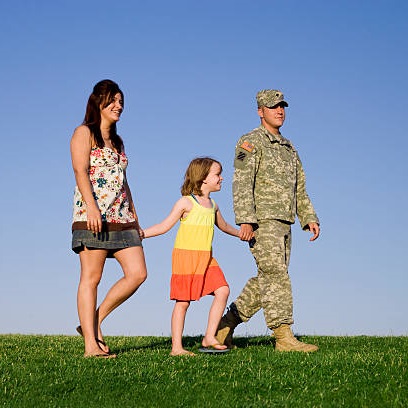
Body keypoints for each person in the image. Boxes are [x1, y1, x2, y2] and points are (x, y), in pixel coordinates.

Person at [216, 89, 320, 352]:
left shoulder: (289, 148)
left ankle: (225, 325)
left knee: (270, 277)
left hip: (285, 221)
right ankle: (283, 336)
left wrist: (308, 217)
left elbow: (300, 188)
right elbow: (241, 183)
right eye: (273, 107)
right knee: (276, 275)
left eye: (282, 106)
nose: (280, 111)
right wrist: (246, 220)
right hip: (262, 220)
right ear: (260, 111)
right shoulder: (250, 142)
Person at [143, 157, 252, 356]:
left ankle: (209, 336)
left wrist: (241, 234)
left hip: (207, 258)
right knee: (183, 303)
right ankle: (176, 348)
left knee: (223, 290)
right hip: (186, 258)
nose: (221, 179)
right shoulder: (186, 202)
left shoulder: (214, 205)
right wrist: (142, 233)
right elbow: (164, 226)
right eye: (217, 175)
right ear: (203, 178)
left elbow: (224, 226)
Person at [70, 79, 147, 358]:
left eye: (121, 101)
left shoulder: (117, 141)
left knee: (138, 273)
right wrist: (91, 207)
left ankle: (93, 321)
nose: (119, 106)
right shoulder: (84, 133)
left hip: (122, 215)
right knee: (92, 277)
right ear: (98, 102)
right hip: (93, 215)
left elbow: (124, 181)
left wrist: (135, 217)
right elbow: (80, 171)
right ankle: (91, 345)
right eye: (113, 100)